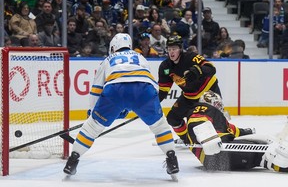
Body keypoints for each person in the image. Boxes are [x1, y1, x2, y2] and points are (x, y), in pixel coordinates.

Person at [63, 33, 179, 179]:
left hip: (115, 90)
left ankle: (72, 161)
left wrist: (93, 113)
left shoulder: (108, 60)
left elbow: (96, 90)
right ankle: (172, 160)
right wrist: (134, 106)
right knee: (160, 126)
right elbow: (151, 85)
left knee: (92, 128)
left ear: (113, 47)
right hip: (145, 91)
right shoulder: (141, 57)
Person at [158, 35, 252, 144]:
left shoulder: (191, 57)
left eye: (174, 49)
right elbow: (163, 90)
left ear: (180, 49)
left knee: (216, 120)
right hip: (190, 96)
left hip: (208, 91)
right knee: (172, 118)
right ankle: (187, 139)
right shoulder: (165, 66)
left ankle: (240, 132)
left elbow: (211, 68)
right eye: (169, 49)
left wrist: (196, 71)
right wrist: (152, 103)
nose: (171, 52)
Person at [186, 90, 288, 173]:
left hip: (217, 155)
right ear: (209, 103)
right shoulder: (204, 109)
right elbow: (196, 123)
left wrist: (247, 132)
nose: (219, 107)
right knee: (264, 153)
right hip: (214, 152)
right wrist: (207, 137)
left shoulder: (216, 118)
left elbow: (233, 131)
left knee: (261, 147)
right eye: (217, 104)